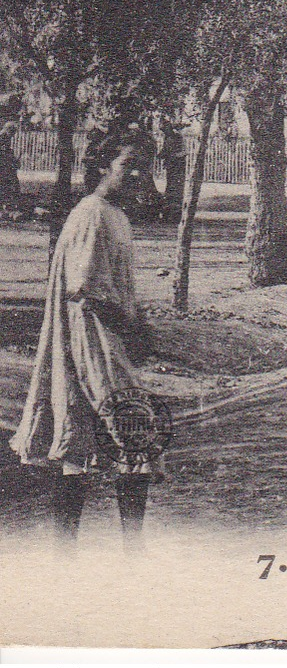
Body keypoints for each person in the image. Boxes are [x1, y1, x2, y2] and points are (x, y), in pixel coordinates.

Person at [12, 134, 162, 551]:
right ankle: (101, 551)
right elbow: (87, 289)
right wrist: (132, 328)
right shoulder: (92, 215)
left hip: (103, 336)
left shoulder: (115, 214)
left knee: (94, 439)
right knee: (128, 437)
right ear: (101, 167)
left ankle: (106, 548)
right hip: (89, 339)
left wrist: (138, 325)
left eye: (144, 165)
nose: (138, 174)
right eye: (128, 163)